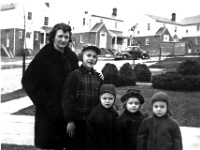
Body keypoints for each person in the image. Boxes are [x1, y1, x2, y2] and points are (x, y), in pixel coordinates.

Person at [21, 23, 79, 149]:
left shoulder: (72, 57)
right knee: (50, 145)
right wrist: (46, 103)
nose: (63, 40)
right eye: (60, 36)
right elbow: (28, 81)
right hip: (48, 113)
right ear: (53, 37)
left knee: (68, 145)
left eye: (66, 37)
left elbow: (78, 79)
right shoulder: (44, 56)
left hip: (68, 112)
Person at [62, 44, 103, 150]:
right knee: (76, 146)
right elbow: (67, 100)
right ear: (81, 57)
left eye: (94, 57)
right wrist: (70, 121)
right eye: (88, 55)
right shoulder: (74, 75)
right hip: (77, 121)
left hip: (92, 121)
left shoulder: (98, 77)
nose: (91, 58)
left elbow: (101, 98)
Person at [86, 84, 119, 150]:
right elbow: (90, 137)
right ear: (100, 98)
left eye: (110, 98)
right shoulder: (94, 115)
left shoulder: (115, 114)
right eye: (104, 98)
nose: (107, 101)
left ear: (114, 99)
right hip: (97, 146)